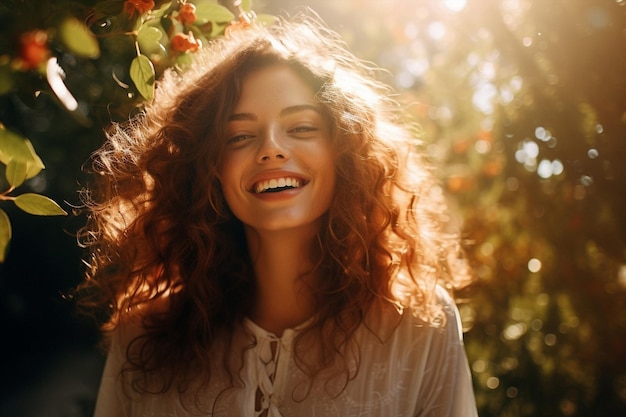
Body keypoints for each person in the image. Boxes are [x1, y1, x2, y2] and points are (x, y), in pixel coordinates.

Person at [77, 12, 477, 417]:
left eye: (301, 128)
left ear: (347, 152)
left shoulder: (422, 325)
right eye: (240, 136)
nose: (271, 148)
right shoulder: (142, 334)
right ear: (206, 169)